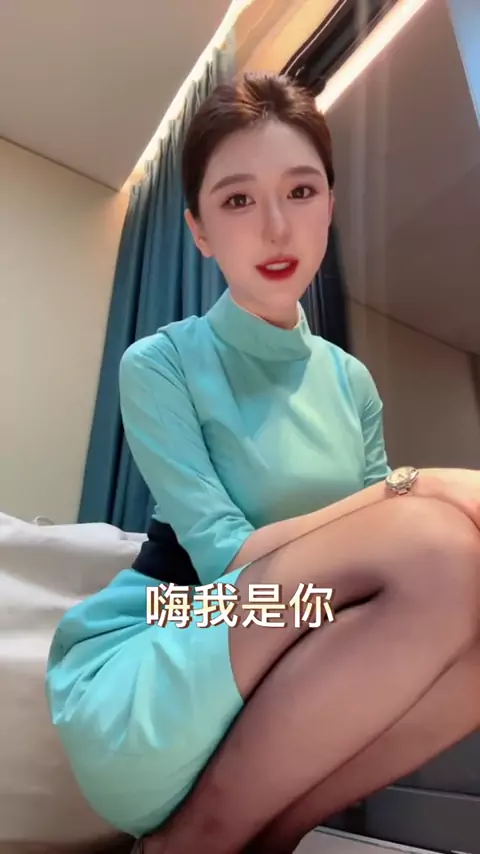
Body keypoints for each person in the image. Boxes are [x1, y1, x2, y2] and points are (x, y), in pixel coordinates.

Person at [45, 72, 480, 854]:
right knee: (438, 544)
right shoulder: (161, 362)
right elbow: (225, 558)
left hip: (295, 643)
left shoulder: (351, 383)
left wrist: (407, 503)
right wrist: (418, 486)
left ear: (329, 206)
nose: (277, 227)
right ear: (200, 231)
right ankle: (198, 836)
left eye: (300, 191)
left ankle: (271, 831)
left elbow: (376, 556)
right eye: (239, 200)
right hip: (169, 632)